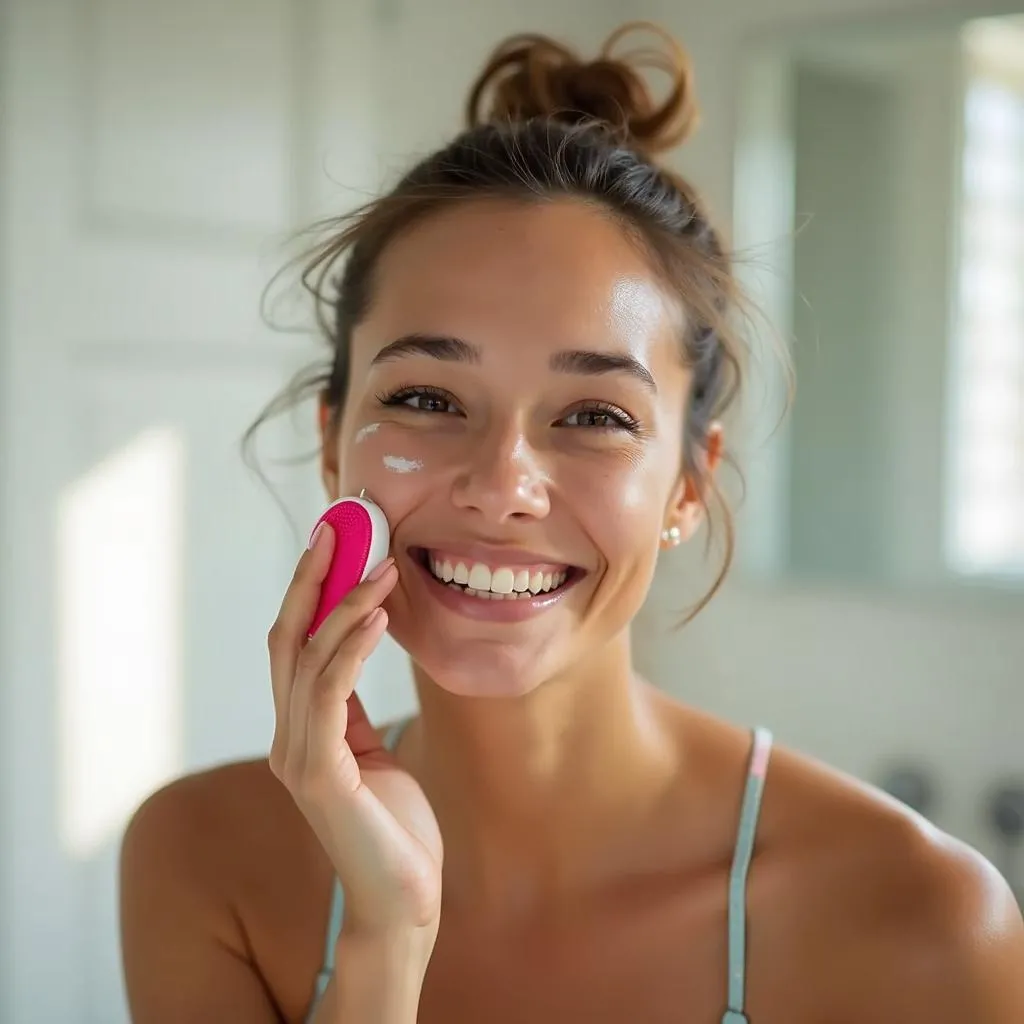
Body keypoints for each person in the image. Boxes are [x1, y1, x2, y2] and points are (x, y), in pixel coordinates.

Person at [118, 22, 1024, 1024]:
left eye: (595, 416)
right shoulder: (200, 860)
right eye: (426, 398)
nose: (503, 484)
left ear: (690, 483)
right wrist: (386, 941)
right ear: (335, 441)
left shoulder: (919, 922)